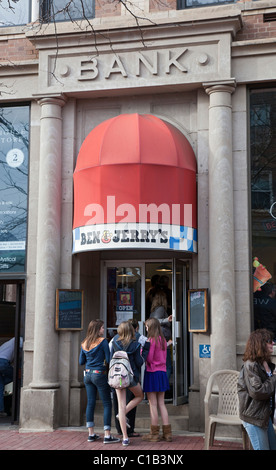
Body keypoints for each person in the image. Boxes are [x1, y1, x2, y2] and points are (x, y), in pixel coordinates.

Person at [79, 319, 120, 444]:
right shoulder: (103, 342)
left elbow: (81, 362)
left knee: (90, 402)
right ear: (97, 329)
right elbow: (108, 359)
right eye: (102, 328)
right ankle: (107, 435)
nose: (103, 330)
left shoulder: (84, 343)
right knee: (107, 403)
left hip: (88, 375)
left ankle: (91, 434)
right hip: (99, 374)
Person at [110, 320, 150, 446]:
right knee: (140, 396)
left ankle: (125, 438)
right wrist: (146, 349)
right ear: (131, 330)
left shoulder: (115, 342)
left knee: (120, 405)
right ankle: (123, 412)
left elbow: (111, 358)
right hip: (130, 377)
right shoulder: (135, 344)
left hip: (118, 376)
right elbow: (139, 362)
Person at [237, 328, 276, 450]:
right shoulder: (251, 365)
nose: (273, 343)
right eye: (269, 341)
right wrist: (274, 377)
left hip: (265, 416)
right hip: (254, 417)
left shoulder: (267, 364)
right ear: (260, 343)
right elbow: (258, 392)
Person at [142, 317, 172, 442]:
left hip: (152, 372)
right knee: (161, 404)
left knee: (153, 405)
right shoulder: (163, 340)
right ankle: (167, 433)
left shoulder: (151, 340)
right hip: (162, 373)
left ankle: (154, 434)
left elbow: (148, 359)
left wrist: (142, 350)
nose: (146, 328)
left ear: (151, 327)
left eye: (147, 327)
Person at [150, 290, 172, 380]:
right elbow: (156, 321)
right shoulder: (160, 309)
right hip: (162, 339)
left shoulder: (154, 309)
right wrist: (167, 320)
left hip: (158, 339)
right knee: (167, 366)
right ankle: (163, 386)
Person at [0, 338, 17, 417]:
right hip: (2, 362)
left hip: (3, 362)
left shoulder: (6, 345)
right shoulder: (18, 339)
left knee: (0, 387)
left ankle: (1, 410)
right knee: (17, 376)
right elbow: (22, 351)